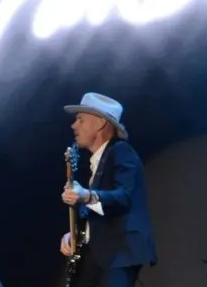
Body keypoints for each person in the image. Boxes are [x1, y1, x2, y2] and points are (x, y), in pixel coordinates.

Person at [59, 93, 157, 287]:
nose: (74, 125)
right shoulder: (99, 161)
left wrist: (86, 196)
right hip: (98, 253)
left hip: (118, 252)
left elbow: (123, 197)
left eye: (80, 119)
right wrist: (76, 233)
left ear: (100, 123)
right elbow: (99, 214)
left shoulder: (121, 151)